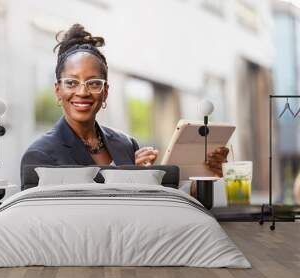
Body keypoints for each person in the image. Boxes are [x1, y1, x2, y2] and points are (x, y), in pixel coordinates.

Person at [21, 24, 228, 178]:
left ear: (105, 92)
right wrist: (126, 180)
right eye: (71, 83)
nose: (82, 92)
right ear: (58, 90)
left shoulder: (126, 145)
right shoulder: (39, 157)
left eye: (93, 83)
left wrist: (209, 173)